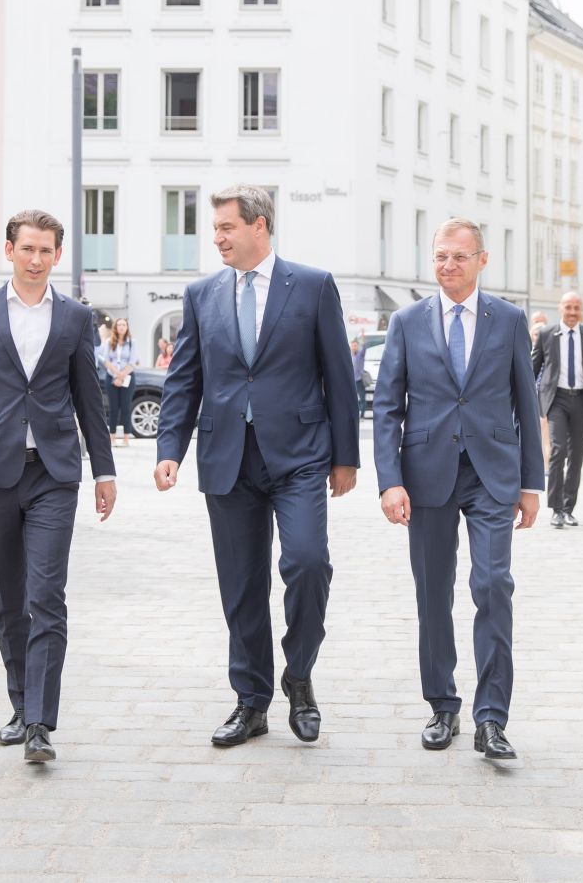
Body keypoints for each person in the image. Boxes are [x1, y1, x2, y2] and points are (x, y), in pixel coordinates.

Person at [154, 185, 359, 750]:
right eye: (214, 229)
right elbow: (185, 378)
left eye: (225, 227)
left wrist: (346, 458)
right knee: (242, 586)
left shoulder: (312, 286)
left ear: (259, 226)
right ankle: (251, 701)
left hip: (298, 455)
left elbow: (339, 375)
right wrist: (168, 448)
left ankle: (299, 674)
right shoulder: (201, 294)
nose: (216, 238)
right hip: (227, 458)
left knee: (309, 562)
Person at [0, 210, 117, 764]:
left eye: (46, 251)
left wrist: (104, 470)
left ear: (58, 255)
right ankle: (19, 703)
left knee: (45, 596)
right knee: (9, 600)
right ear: (9, 250)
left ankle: (39, 722)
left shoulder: (76, 318)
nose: (36, 260)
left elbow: (90, 399)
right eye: (27, 249)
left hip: (54, 472)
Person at [372, 219, 543, 760]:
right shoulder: (406, 321)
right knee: (433, 593)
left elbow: (526, 402)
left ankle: (491, 718)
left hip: (493, 472)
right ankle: (442, 705)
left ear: (482, 260)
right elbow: (386, 407)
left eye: (459, 257)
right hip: (426, 474)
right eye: (440, 257)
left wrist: (532, 484)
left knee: (493, 585)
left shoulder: (509, 320)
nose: (448, 266)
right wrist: (389, 481)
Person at [530, 291, 583, 528]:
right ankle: (556, 508)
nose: (572, 312)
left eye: (576, 308)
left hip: (581, 400)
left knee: (576, 454)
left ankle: (568, 508)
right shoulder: (547, 334)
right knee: (558, 450)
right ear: (560, 309)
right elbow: (533, 368)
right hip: (556, 399)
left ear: (581, 311)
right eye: (568, 307)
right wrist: (525, 398)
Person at [99, 317, 139, 446]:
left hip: (127, 377)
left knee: (126, 408)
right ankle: (113, 438)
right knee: (113, 408)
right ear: (115, 327)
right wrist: (116, 375)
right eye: (119, 325)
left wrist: (121, 376)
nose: (121, 327)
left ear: (127, 327)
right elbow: (105, 360)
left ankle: (126, 438)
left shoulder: (132, 342)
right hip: (112, 378)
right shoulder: (109, 342)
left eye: (124, 325)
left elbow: (132, 361)